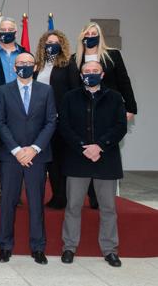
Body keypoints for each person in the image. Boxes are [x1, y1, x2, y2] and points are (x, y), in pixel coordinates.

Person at [58, 61, 127, 268]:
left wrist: (99, 146)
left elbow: (120, 126)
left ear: (102, 74)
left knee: (108, 208)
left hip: (106, 159)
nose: (90, 74)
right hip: (77, 159)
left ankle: (110, 250)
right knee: (73, 206)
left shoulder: (115, 98)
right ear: (80, 75)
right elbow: (64, 126)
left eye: (94, 71)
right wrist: (83, 147)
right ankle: (69, 247)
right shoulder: (70, 97)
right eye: (86, 72)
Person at [0, 52, 57, 265]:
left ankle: (38, 247)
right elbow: (0, 122)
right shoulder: (3, 91)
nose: (24, 66)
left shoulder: (46, 91)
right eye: (20, 63)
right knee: (8, 202)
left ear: (36, 66)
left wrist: (34, 148)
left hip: (37, 157)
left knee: (36, 203)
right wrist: (17, 150)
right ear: (14, 67)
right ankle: (4, 246)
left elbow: (51, 122)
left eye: (28, 63)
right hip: (11, 156)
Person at [71, 22, 137, 209]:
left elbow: (124, 81)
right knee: (87, 151)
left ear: (100, 37)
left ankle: (102, 197)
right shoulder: (76, 58)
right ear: (82, 37)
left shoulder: (112, 55)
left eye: (94, 33)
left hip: (109, 111)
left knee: (104, 150)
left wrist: (130, 108)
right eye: (87, 33)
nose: (91, 36)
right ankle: (91, 195)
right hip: (84, 113)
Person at [34, 30, 80, 209]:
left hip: (61, 119)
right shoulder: (38, 65)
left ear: (62, 45)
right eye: (48, 42)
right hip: (40, 120)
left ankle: (64, 196)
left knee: (61, 158)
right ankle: (56, 195)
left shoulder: (68, 64)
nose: (51, 45)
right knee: (48, 159)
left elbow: (75, 92)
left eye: (55, 42)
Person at [0, 18, 26, 205]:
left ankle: (16, 194)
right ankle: (2, 193)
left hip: (21, 111)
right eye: (3, 29)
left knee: (19, 152)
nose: (7, 32)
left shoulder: (26, 54)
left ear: (16, 33)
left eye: (10, 29)